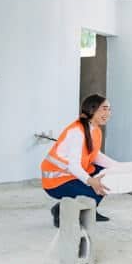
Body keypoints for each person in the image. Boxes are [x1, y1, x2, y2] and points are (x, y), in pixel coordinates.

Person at [40, 94, 116, 228]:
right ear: (92, 109)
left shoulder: (95, 129)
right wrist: (91, 181)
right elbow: (73, 166)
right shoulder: (76, 132)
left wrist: (117, 167)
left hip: (72, 174)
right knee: (95, 190)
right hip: (57, 181)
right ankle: (60, 210)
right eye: (104, 108)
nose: (108, 113)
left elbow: (95, 154)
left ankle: (90, 209)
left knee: (108, 176)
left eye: (109, 109)